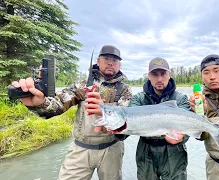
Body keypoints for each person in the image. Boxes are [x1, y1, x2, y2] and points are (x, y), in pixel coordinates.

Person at [11, 45, 132, 180]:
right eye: (107, 59)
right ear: (98, 61)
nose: (110, 63)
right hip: (80, 149)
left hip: (112, 149)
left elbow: (126, 124)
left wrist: (104, 110)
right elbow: (59, 105)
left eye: (115, 60)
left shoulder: (125, 90)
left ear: (119, 64)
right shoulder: (82, 86)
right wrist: (40, 103)